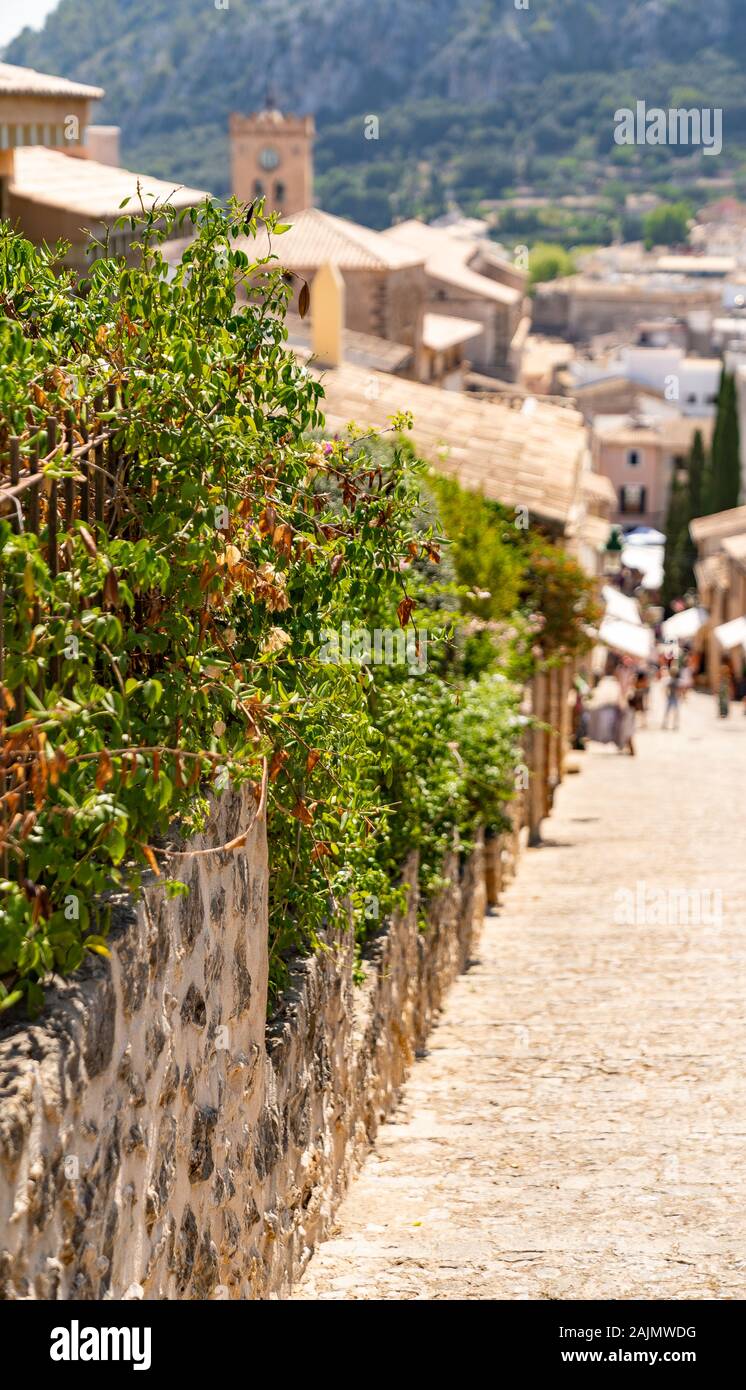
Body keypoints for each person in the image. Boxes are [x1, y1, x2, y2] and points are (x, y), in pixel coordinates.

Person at [662, 666, 681, 731]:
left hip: (672, 697)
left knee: (671, 711)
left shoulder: (673, 680)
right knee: (671, 711)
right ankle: (669, 724)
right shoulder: (672, 680)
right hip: (672, 697)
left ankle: (672, 724)